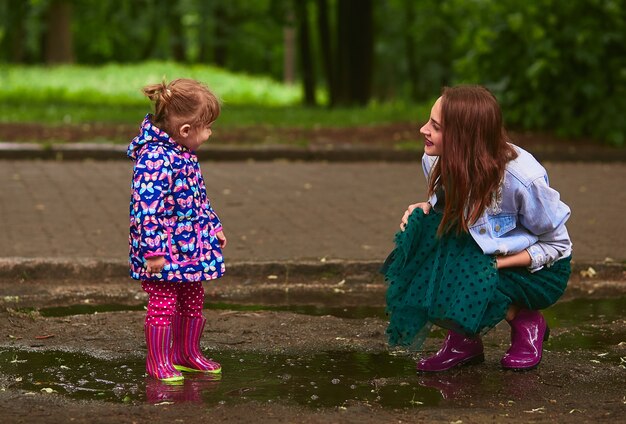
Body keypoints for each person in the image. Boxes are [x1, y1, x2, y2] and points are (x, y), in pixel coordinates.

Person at [382, 85, 572, 372]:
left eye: (435, 126)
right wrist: (425, 208)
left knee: (460, 270)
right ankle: (463, 341)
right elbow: (462, 216)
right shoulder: (436, 159)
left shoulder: (522, 179)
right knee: (421, 240)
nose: (423, 130)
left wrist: (494, 265)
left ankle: (526, 321)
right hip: (483, 255)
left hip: (538, 272)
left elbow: (558, 247)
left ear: (463, 138)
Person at [128, 78, 227, 382]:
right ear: (186, 131)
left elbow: (198, 199)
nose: (210, 133)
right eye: (207, 127)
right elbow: (145, 209)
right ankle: (158, 360)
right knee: (163, 302)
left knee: (193, 296)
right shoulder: (155, 159)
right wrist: (153, 250)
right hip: (164, 250)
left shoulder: (184, 156)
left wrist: (213, 225)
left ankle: (187, 354)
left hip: (190, 247)